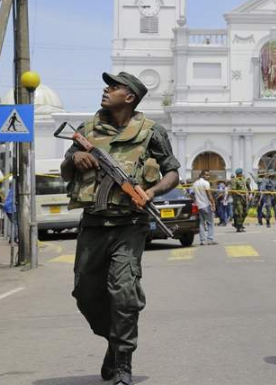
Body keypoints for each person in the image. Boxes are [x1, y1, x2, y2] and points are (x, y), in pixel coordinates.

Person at [60, 72, 180, 385]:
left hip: (130, 224)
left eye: (114, 87)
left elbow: (172, 173)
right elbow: (64, 170)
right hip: (94, 224)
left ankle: (123, 363)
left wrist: (151, 193)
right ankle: (113, 342)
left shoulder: (152, 131)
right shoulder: (87, 128)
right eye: (107, 85)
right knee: (85, 293)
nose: (106, 89)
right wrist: (78, 157)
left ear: (129, 97)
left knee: (124, 293)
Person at [192, 170, 217, 245]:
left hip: (198, 206)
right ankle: (210, 239)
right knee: (210, 223)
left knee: (201, 223)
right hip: (206, 205)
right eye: (206, 175)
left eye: (208, 175)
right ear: (202, 175)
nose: (208, 176)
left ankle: (202, 240)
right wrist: (213, 203)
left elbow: (192, 195)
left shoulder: (195, 183)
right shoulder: (206, 183)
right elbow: (209, 194)